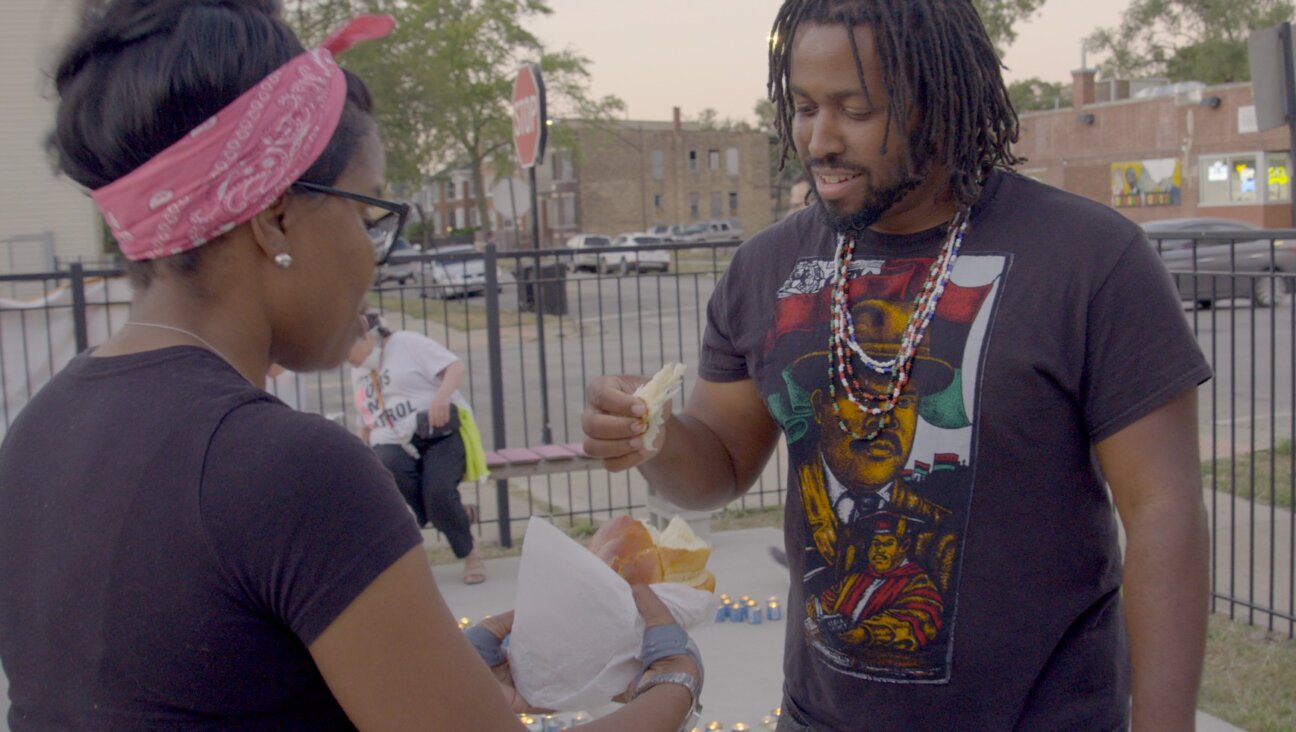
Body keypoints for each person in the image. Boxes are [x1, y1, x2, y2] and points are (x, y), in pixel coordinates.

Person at [0, 2, 701, 730]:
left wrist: (436, 668)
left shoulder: (39, 432)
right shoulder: (290, 470)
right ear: (274, 216)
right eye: (369, 218)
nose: (374, 256)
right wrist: (673, 677)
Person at [583, 0, 1210, 729]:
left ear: (934, 102)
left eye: (854, 110)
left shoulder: (1090, 258)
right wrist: (650, 435)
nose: (819, 139)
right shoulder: (768, 267)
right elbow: (716, 466)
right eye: (805, 107)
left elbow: (1163, 511)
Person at [349, 313, 488, 584]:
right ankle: (456, 516)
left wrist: (441, 398)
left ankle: (470, 551)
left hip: (438, 431)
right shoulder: (359, 369)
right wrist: (362, 434)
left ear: (365, 336)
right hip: (392, 440)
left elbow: (454, 367)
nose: (344, 358)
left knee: (437, 493)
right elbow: (365, 412)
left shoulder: (406, 343)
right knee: (386, 469)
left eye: (344, 348)